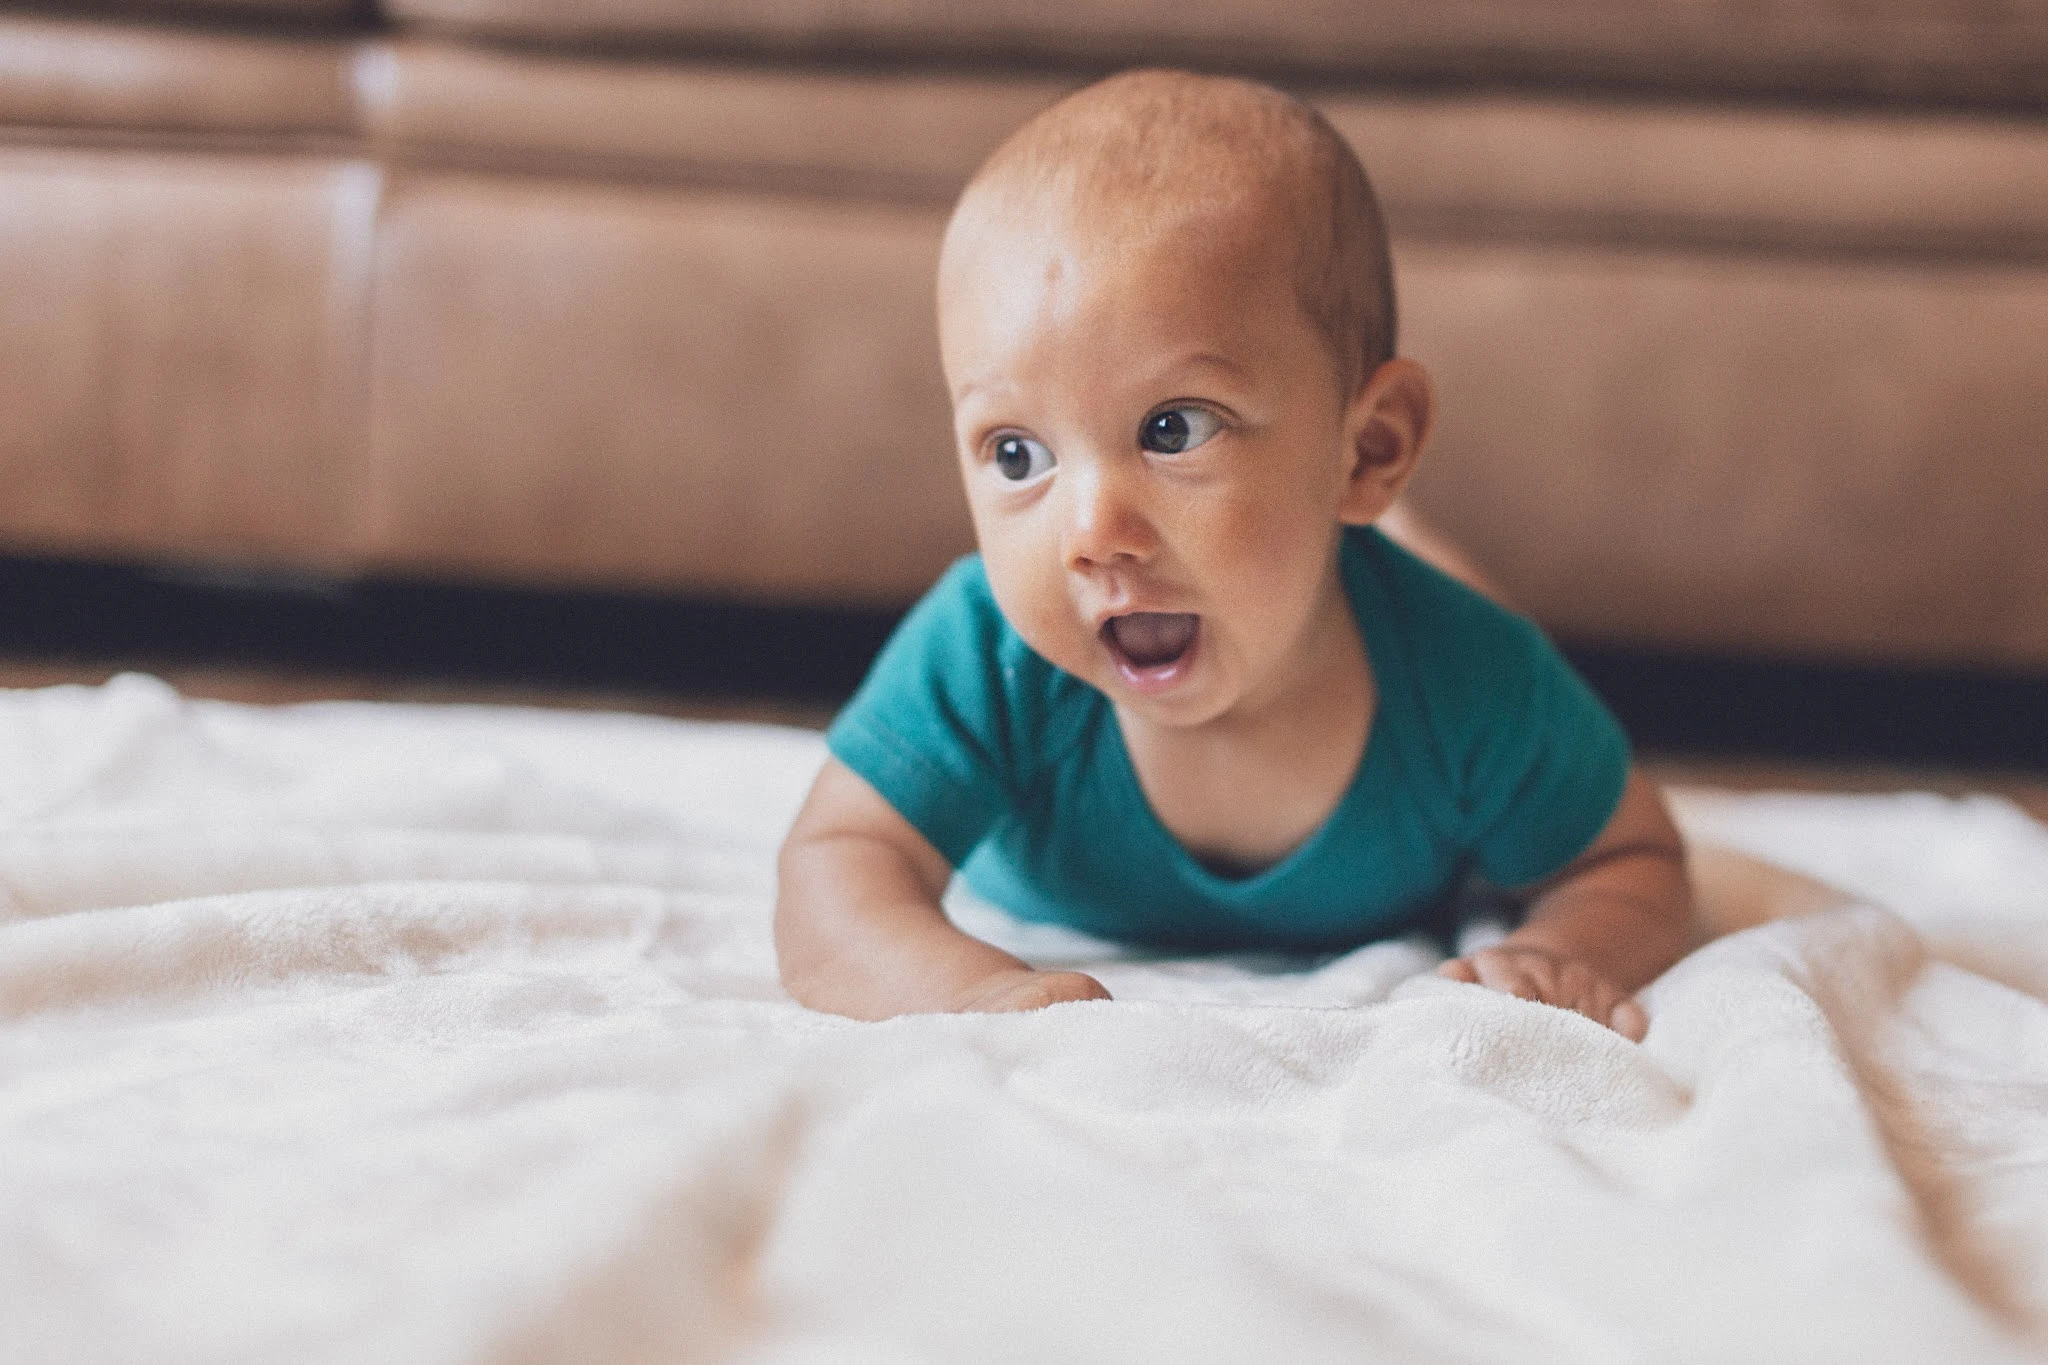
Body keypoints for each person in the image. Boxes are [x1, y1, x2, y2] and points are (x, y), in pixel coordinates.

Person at [774, 69, 1699, 1039]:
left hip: (1391, 587)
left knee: (1429, 586)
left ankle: (1395, 532)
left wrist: (1565, 950)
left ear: (1370, 446)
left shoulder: (1463, 675)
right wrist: (969, 992)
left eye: (1172, 430)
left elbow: (1628, 862)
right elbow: (833, 862)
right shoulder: (984, 652)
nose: (1090, 533)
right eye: (1019, 454)